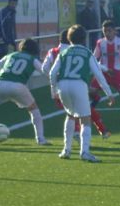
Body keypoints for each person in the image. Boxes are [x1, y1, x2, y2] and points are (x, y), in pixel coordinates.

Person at [49, 24, 115, 163]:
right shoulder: (87, 53)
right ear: (84, 39)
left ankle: (66, 150)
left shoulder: (63, 53)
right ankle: (84, 152)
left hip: (63, 85)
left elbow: (52, 73)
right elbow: (98, 74)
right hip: (78, 84)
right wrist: (109, 93)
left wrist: (54, 90)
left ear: (69, 39)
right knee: (85, 119)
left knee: (70, 116)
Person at [0, 38, 49, 145]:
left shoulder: (10, 56)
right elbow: (45, 71)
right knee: (34, 110)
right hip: (18, 86)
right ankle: (40, 139)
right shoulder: (32, 59)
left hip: (0, 84)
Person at [42, 30, 110, 139]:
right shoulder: (74, 50)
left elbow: (45, 68)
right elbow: (95, 65)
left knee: (73, 112)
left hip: (60, 88)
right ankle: (93, 131)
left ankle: (74, 138)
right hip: (77, 83)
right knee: (84, 109)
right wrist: (105, 69)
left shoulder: (53, 51)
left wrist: (55, 81)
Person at [91, 20, 120, 121]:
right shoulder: (100, 43)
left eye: (109, 31)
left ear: (115, 31)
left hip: (117, 72)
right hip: (103, 72)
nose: (107, 33)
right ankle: (96, 99)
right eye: (105, 31)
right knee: (91, 91)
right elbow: (94, 57)